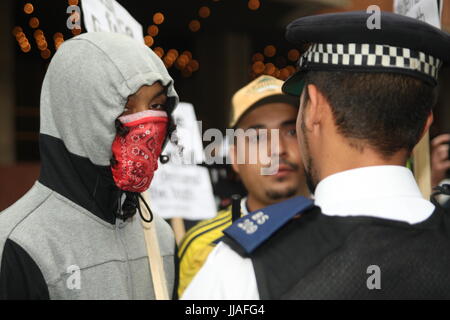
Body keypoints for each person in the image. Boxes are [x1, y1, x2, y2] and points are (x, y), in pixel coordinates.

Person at [182, 11, 450, 300]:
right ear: (425, 125)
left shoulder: (249, 263)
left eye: (289, 128)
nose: (277, 149)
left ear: (314, 110)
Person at [0, 32, 179, 299]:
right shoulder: (20, 244)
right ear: (78, 115)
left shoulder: (160, 237)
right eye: (125, 108)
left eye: (156, 105)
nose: (146, 123)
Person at [178, 76, 309, 297]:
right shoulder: (202, 246)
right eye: (257, 137)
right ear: (235, 157)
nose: (277, 149)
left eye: (291, 132)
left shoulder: (348, 225)